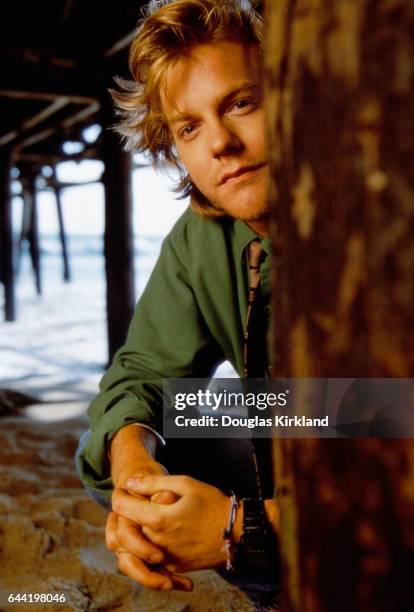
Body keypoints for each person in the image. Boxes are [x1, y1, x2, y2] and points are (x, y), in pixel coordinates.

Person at [76, 0, 280, 608]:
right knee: (183, 415)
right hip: (329, 413)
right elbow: (140, 373)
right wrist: (136, 475)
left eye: (242, 102)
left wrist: (241, 531)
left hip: (386, 440)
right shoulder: (203, 234)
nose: (221, 142)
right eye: (189, 127)